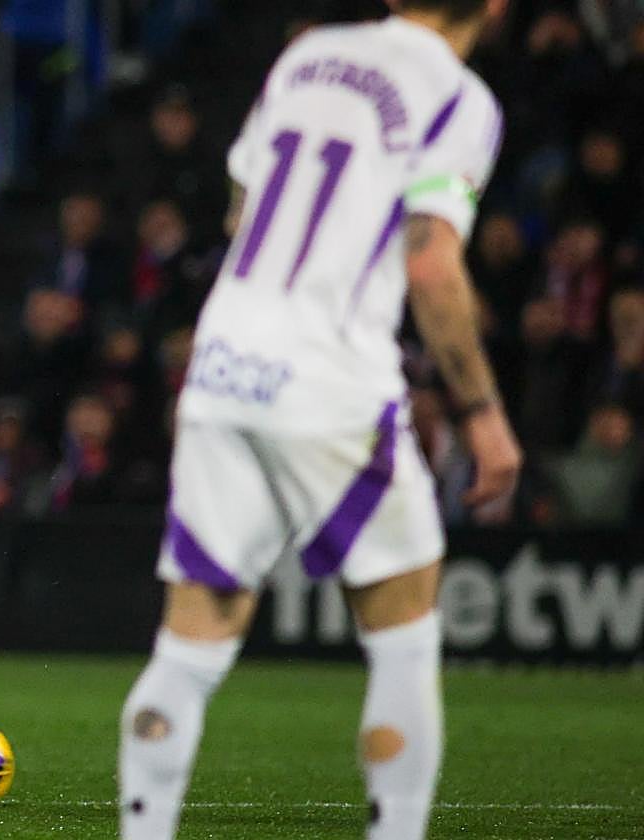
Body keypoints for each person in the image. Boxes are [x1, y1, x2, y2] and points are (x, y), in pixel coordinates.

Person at [117, 3, 521, 840]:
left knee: (189, 647)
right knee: (403, 635)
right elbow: (430, 261)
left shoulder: (307, 58)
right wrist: (482, 414)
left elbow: (241, 211)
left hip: (224, 364)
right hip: (330, 372)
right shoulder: (459, 98)